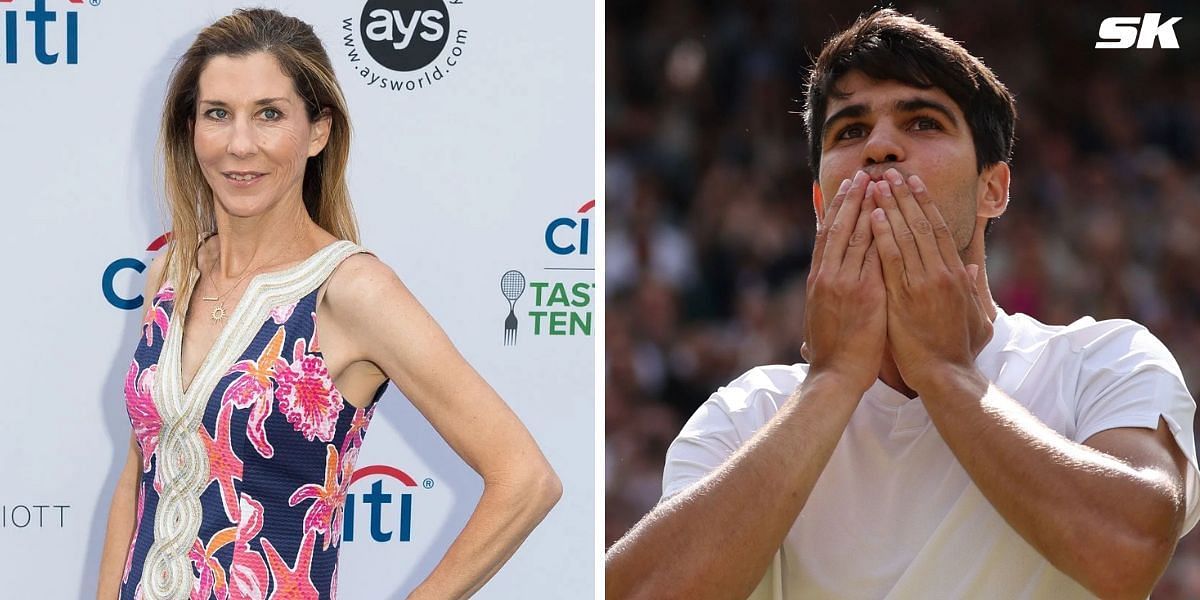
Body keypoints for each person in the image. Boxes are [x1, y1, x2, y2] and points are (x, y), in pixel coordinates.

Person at [605, 9, 1197, 599]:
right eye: (850, 131)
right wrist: (833, 380)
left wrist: (946, 374)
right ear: (819, 201)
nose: (880, 148)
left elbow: (1130, 551)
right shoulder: (748, 413)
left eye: (922, 122)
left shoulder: (1103, 360)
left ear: (994, 189)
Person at [95, 9, 561, 599]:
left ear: (317, 131)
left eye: (269, 115)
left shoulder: (351, 291)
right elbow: (143, 469)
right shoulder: (169, 275)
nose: (240, 145)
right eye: (218, 114)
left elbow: (526, 480)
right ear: (190, 128)